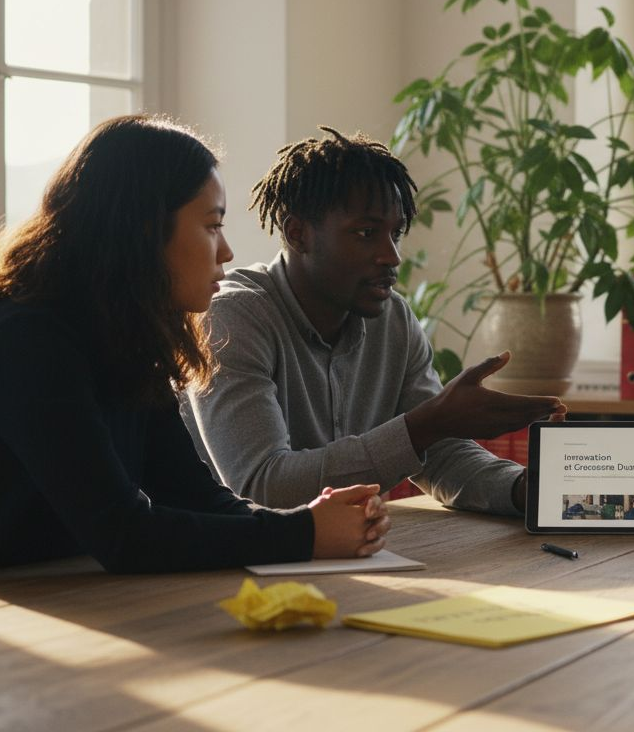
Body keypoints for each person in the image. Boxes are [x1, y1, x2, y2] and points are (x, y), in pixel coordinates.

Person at [0, 116, 389, 578]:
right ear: (145, 230)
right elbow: (124, 535)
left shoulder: (124, 337)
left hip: (54, 598)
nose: (227, 251)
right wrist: (306, 535)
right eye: (212, 225)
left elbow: (193, 495)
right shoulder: (26, 342)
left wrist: (305, 521)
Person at [180, 127, 565, 515]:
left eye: (395, 233)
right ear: (297, 234)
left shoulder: (394, 319)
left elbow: (442, 456)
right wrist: (424, 426)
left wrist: (522, 488)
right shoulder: (230, 317)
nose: (392, 255)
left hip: (337, 553)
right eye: (366, 233)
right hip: (220, 566)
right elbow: (263, 486)